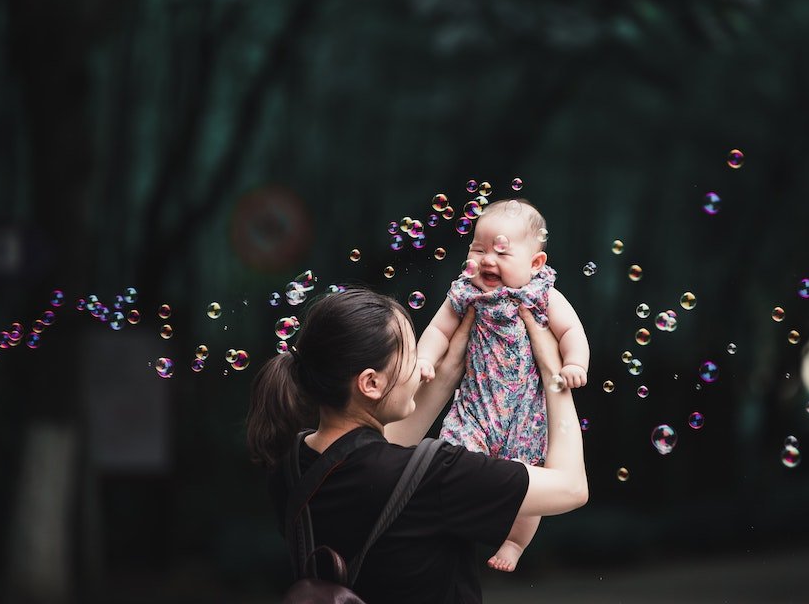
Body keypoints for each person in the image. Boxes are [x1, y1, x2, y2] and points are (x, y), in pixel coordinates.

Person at [247, 287, 587, 604]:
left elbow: (375, 462)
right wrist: (552, 374)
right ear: (370, 382)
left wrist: (453, 364)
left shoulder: (289, 468)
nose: (422, 370)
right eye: (412, 355)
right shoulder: (437, 477)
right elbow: (571, 488)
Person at [415, 198, 590, 571]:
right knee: (454, 460)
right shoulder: (465, 292)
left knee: (530, 480)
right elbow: (438, 330)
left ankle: (515, 541)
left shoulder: (542, 294)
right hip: (475, 409)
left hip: (526, 417)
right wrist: (425, 359)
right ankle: (455, 522)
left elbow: (571, 330)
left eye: (501, 252)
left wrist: (575, 362)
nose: (487, 260)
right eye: (478, 249)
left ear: (535, 263)